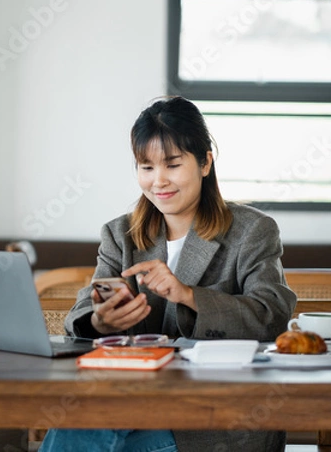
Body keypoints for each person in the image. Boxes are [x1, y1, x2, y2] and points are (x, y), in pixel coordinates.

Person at [40, 96, 296, 452]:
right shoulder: (120, 234)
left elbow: (271, 317)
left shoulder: (252, 231)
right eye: (146, 167)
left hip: (217, 419)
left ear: (205, 162)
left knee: (81, 435)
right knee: (77, 426)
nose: (158, 181)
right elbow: (82, 313)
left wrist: (188, 295)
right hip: (129, 401)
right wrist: (101, 321)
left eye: (173, 165)